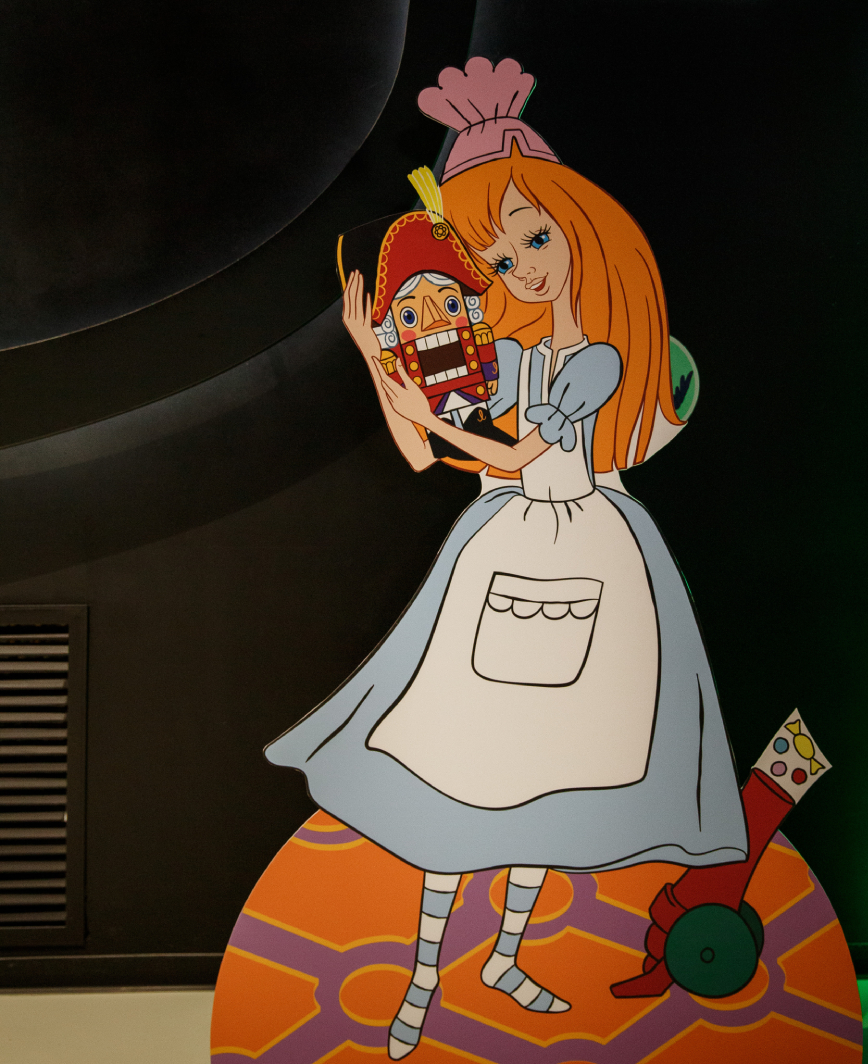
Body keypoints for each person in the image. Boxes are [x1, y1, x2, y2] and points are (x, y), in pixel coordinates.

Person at [266, 57, 747, 1060]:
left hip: (589, 556)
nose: (522, 265)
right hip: (499, 561)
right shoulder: (505, 357)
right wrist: (379, 357)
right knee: (464, 774)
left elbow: (521, 456)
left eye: (535, 235)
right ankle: (424, 977)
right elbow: (420, 452)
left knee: (552, 776)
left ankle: (505, 955)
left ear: (578, 228)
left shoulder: (597, 360)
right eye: (494, 252)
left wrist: (433, 412)